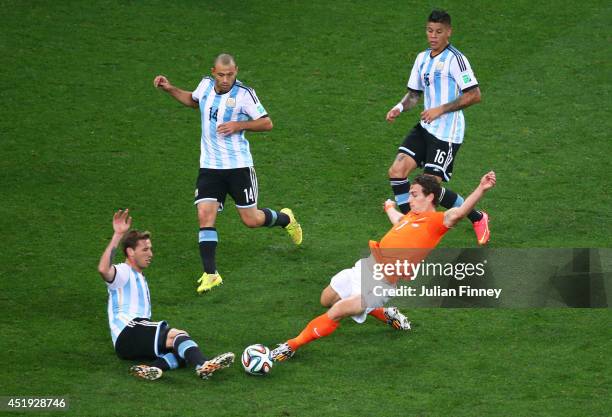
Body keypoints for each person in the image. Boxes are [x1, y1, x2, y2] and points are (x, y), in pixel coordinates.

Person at [270, 171, 496, 362]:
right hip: (364, 267)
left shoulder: (438, 222)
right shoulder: (411, 215)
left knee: (338, 310)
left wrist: (481, 189)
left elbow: (459, 212)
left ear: (430, 197)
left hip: (381, 284)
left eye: (414, 194)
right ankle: (386, 315)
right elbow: (399, 222)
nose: (410, 198)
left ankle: (290, 346)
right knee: (326, 299)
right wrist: (389, 208)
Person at [153, 53, 302, 294]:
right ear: (213, 72)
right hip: (210, 166)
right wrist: (170, 88)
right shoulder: (204, 85)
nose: (225, 79)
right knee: (205, 215)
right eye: (221, 75)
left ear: (236, 71)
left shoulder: (245, 95)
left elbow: (267, 123)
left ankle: (286, 219)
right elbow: (194, 101)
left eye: (230, 74)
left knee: (250, 220)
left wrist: (239, 125)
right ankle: (211, 274)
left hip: (238, 167)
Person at [385, 9, 490, 245]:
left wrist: (440, 109)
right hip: (426, 127)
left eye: (439, 32)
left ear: (448, 32)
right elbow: (414, 94)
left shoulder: (456, 60)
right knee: (397, 171)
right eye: (430, 31)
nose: (433, 36)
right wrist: (399, 108)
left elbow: (474, 95)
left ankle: (478, 216)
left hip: (447, 133)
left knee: (429, 188)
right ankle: (410, 222)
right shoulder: (422, 58)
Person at [97, 209, 235, 380]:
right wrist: (118, 235)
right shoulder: (123, 272)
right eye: (145, 250)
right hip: (128, 331)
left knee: (183, 348)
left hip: (131, 338)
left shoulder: (139, 277)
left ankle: (150, 369)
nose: (151, 254)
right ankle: (203, 365)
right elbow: (103, 269)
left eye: (151, 249)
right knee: (176, 335)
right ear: (130, 252)